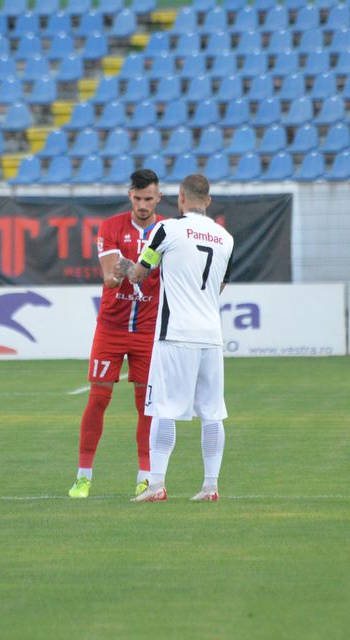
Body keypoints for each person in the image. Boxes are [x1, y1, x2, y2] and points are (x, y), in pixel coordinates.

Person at [117, 174, 235, 503]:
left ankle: (156, 485)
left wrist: (122, 266)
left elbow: (140, 274)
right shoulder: (226, 238)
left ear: (180, 197)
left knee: (164, 408)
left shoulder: (167, 229)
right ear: (208, 201)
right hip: (211, 335)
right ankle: (210, 486)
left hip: (176, 333)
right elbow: (220, 286)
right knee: (212, 411)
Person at [69, 169, 164, 499]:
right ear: (130, 196)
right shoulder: (111, 227)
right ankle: (83, 477)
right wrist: (133, 269)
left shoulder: (167, 231)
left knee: (146, 406)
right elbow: (111, 277)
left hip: (148, 331)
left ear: (158, 198)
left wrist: (129, 267)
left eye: (148, 198)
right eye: (137, 198)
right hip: (111, 327)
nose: (142, 204)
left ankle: (145, 477)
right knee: (98, 399)